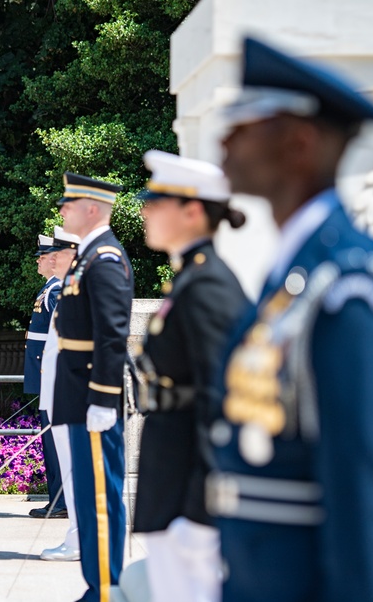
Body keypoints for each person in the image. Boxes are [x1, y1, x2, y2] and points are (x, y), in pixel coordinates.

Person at [208, 36, 373, 602]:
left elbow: (370, 508)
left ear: (298, 144)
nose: (223, 139)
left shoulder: (349, 292)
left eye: (245, 124)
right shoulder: (296, 276)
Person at [132, 151, 250, 601]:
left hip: (188, 495)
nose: (145, 211)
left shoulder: (208, 287)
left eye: (156, 202)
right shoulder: (189, 280)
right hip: (172, 481)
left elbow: (224, 398)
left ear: (193, 211)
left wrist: (201, 510)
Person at [53, 173, 134, 602]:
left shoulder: (104, 259)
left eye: (70, 203)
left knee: (101, 499)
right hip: (78, 397)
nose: (62, 209)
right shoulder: (87, 259)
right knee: (87, 498)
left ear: (92, 208)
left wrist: (103, 399)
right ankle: (96, 586)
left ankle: (106, 590)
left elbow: (111, 335)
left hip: (92, 400)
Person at [39, 226, 83, 562]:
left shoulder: (76, 290)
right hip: (59, 395)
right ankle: (76, 538)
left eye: (60, 253)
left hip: (72, 398)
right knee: (70, 472)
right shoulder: (66, 289)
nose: (53, 259)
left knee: (76, 473)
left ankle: (79, 539)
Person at [24, 233, 66, 520]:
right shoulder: (48, 289)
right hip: (45, 376)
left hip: (52, 377)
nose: (38, 261)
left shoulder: (56, 292)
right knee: (49, 442)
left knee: (55, 443)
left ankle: (61, 501)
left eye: (42, 256)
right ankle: (56, 499)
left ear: (54, 260)